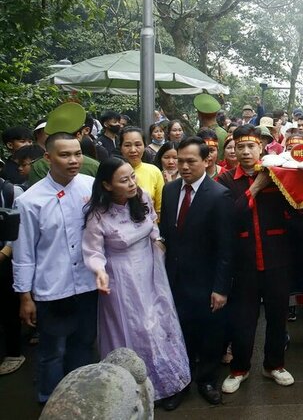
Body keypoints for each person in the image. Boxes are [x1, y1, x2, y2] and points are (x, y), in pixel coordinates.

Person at [81, 157, 190, 408]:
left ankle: (169, 382)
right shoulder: (98, 214)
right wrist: (99, 271)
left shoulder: (141, 198)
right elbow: (93, 250)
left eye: (132, 176)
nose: (132, 183)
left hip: (151, 267)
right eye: (124, 180)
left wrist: (158, 239)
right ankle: (131, 389)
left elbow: (151, 224)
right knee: (131, 328)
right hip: (120, 277)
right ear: (107, 185)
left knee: (158, 322)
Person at [13, 105, 98, 403]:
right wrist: (25, 296)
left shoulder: (91, 187)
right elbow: (24, 252)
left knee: (84, 346)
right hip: (53, 289)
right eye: (65, 155)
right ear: (47, 157)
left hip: (88, 285)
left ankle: (81, 399)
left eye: (77, 154)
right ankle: (49, 400)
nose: (74, 160)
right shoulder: (30, 200)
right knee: (52, 352)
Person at [216, 126, 295, 394]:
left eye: (251, 146)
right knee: (243, 318)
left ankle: (274, 365)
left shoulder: (278, 176)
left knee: (277, 316)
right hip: (243, 261)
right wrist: (257, 188)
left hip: (277, 258)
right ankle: (240, 368)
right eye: (241, 147)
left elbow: (297, 209)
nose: (246, 152)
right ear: (234, 151)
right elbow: (229, 217)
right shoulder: (225, 180)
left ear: (261, 148)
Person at [159, 137, 234, 406]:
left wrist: (221, 288)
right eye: (180, 161)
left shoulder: (219, 195)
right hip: (176, 279)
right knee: (180, 333)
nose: (185, 166)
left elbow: (227, 247)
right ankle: (180, 381)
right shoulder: (169, 191)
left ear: (206, 161)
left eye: (191, 161)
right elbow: (168, 234)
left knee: (210, 334)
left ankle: (207, 380)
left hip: (206, 282)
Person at [0, 174, 24, 375]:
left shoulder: (11, 191)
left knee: (8, 305)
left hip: (4, 257)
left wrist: (4, 253)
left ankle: (13, 351)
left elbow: (20, 228)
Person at [119, 127, 164, 217]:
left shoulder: (154, 171)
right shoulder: (113, 173)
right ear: (120, 147)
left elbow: (159, 209)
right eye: (127, 145)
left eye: (138, 144)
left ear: (145, 146)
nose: (133, 150)